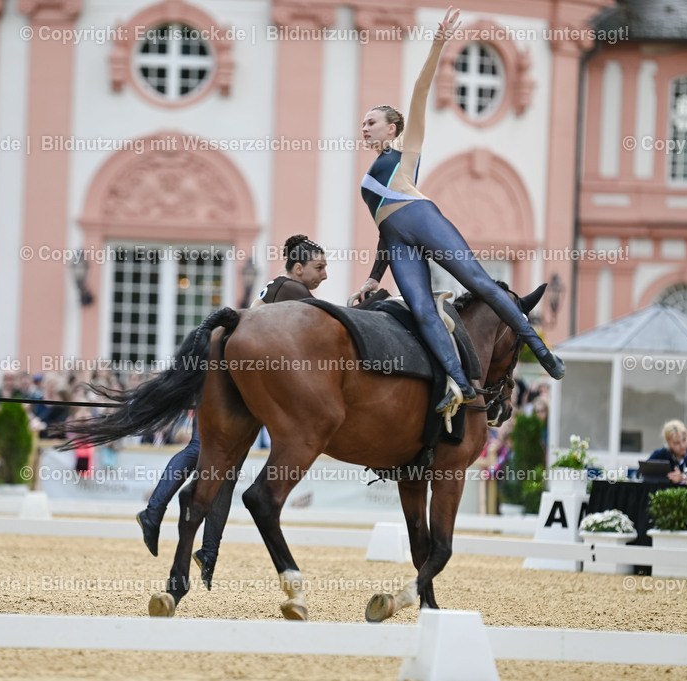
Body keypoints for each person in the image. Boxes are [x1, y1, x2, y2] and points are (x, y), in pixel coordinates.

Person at [356, 6, 564, 413]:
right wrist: (372, 277)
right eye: (363, 123)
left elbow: (419, 90)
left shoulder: (405, 149)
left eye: (372, 122)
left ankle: (542, 352)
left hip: (421, 218)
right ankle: (459, 382)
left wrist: (437, 45)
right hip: (397, 238)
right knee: (420, 308)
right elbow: (384, 230)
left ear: (392, 128)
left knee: (481, 283)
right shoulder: (368, 175)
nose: (364, 128)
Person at [137, 234, 328, 588]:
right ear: (298, 267)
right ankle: (154, 513)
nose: (324, 274)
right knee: (200, 451)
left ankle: (207, 551)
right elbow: (328, 322)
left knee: (224, 468)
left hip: (234, 379)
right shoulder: (293, 291)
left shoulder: (279, 286)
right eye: (319, 267)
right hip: (228, 378)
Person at [252, 234, 328, 306]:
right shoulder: (289, 286)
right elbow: (327, 312)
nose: (325, 276)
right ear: (299, 269)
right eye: (319, 268)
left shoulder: (281, 283)